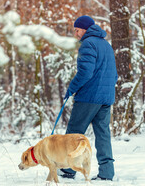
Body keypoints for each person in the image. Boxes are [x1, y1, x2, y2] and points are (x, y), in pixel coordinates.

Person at [58, 15, 118, 181]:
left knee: (73, 134)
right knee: (103, 135)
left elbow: (85, 72)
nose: (76, 34)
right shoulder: (106, 45)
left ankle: (68, 170)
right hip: (106, 98)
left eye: (77, 30)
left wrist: (71, 88)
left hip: (89, 97)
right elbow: (115, 75)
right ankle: (106, 173)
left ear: (84, 29)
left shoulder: (88, 44)